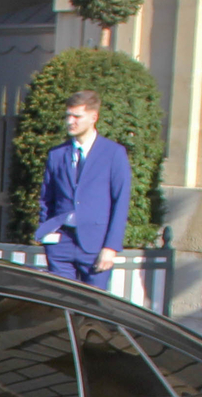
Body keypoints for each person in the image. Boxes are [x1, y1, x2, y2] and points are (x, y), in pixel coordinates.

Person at [34, 89, 133, 286]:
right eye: (68, 116)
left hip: (96, 245)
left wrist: (110, 247)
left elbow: (120, 202)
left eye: (77, 116)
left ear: (93, 117)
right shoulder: (57, 154)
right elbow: (47, 197)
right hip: (61, 244)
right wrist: (48, 233)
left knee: (92, 308)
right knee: (62, 303)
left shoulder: (113, 153)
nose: (70, 121)